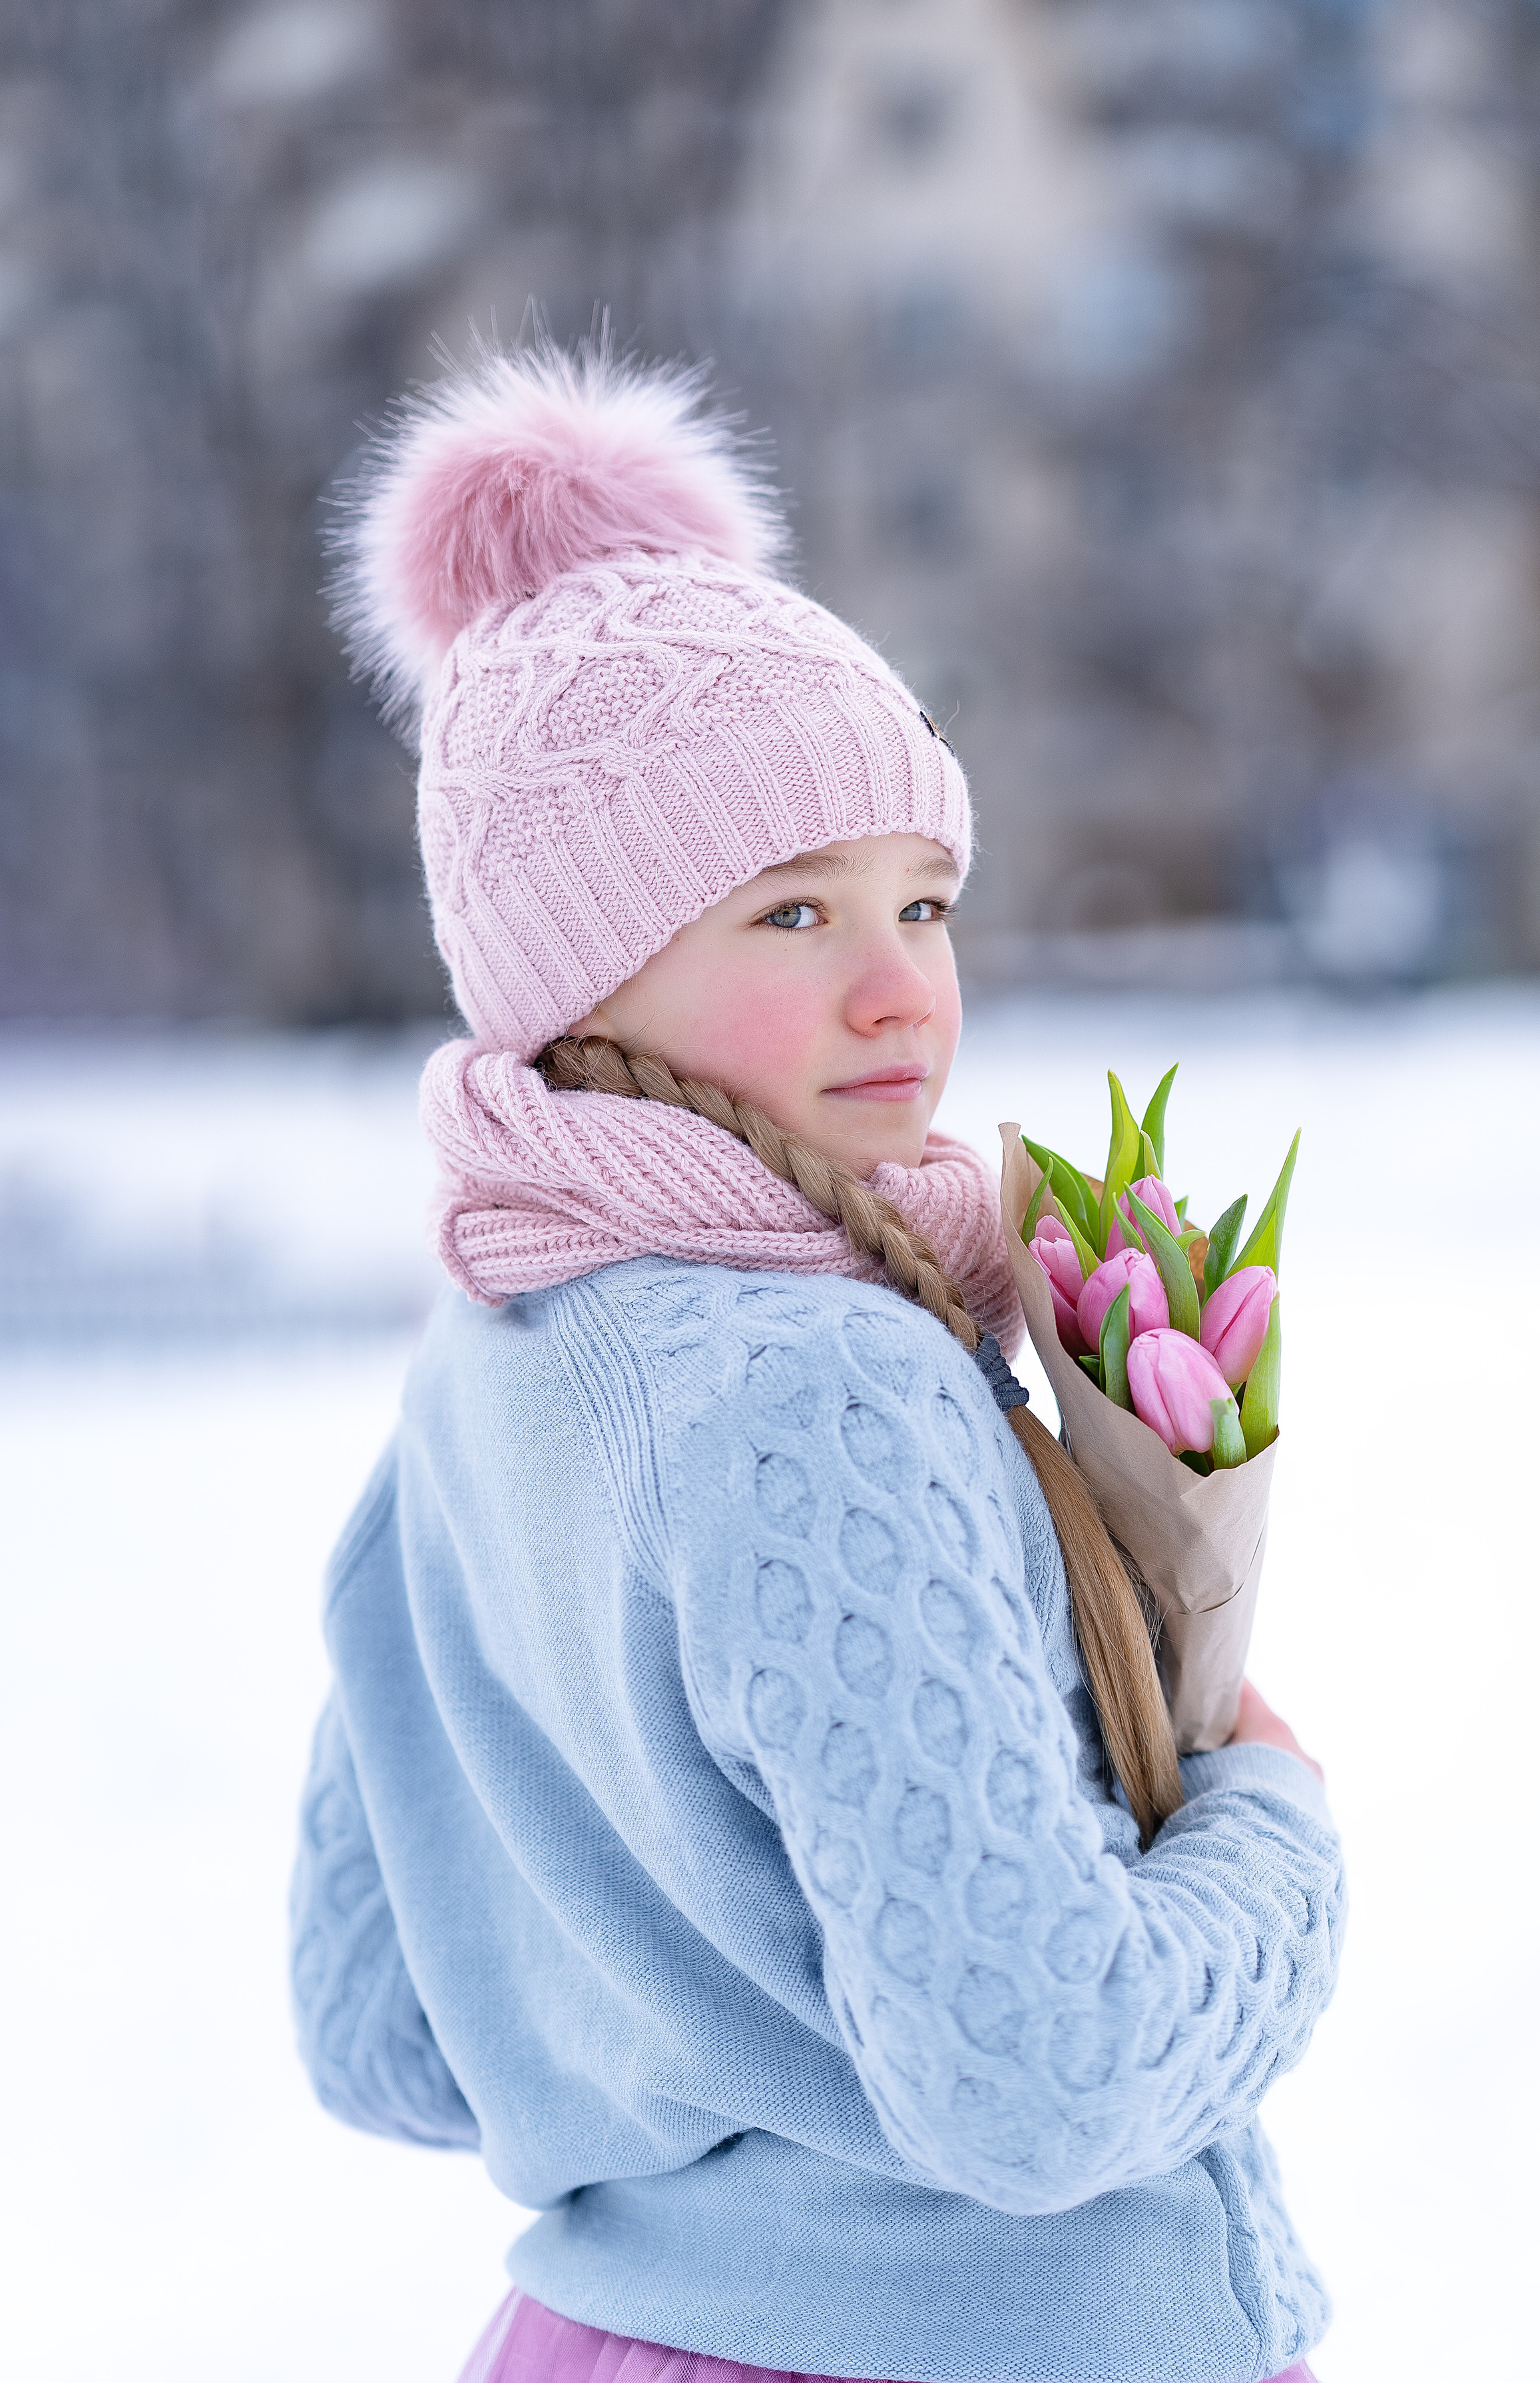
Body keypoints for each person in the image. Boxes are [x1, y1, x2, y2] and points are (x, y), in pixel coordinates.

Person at [290, 337, 1345, 2383]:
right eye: (787, 914)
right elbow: (1042, 2083)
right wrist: (1270, 1822)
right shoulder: (815, 1392)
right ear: (575, 961)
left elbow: (385, 2026)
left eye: (926, 900)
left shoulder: (484, 1366)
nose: (900, 988)